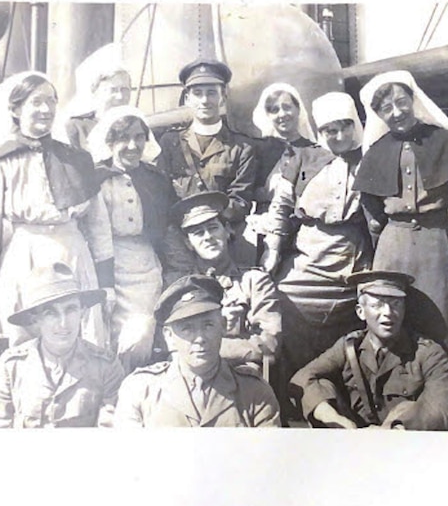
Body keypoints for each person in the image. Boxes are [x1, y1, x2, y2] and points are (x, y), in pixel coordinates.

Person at [352, 70, 448, 430]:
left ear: (413, 101)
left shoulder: (444, 142)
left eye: (401, 102)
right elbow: (372, 215)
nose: (396, 112)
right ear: (378, 115)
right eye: (386, 108)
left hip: (438, 246)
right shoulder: (376, 153)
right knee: (394, 327)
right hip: (393, 249)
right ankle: (398, 419)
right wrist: (389, 243)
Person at [0, 71, 115, 349]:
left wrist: (107, 284)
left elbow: (99, 228)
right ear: (16, 109)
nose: (46, 109)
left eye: (52, 101)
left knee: (84, 345)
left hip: (74, 258)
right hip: (24, 261)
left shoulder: (77, 160)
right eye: (36, 102)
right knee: (26, 345)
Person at [259, 91, 372, 385]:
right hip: (309, 253)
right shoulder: (303, 157)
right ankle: (293, 388)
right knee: (285, 298)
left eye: (343, 127)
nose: (337, 136)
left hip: (352, 254)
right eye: (329, 130)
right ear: (320, 132)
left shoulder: (369, 159)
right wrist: (272, 248)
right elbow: (281, 207)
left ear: (355, 126)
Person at [87, 105, 187, 371]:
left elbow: (169, 226)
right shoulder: (95, 178)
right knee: (102, 334)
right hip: (102, 265)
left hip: (143, 268)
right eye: (123, 138)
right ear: (109, 142)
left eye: (139, 137)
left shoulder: (156, 179)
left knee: (141, 331)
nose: (132, 145)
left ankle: (133, 384)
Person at [107, 275, 281, 427]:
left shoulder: (255, 393)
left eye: (208, 325)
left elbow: (266, 460)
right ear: (168, 336)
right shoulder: (140, 389)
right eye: (187, 329)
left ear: (222, 326)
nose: (199, 338)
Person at [289, 270, 448, 430]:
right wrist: (336, 421)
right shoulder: (349, 346)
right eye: (378, 305)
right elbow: (302, 378)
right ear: (361, 312)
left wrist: (392, 430)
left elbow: (440, 410)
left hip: (404, 445)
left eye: (396, 304)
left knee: (410, 407)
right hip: (354, 442)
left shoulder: (427, 352)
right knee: (321, 385)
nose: (388, 313)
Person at [0, 262, 126, 428]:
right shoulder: (11, 366)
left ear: (82, 311)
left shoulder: (106, 366)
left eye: (71, 309)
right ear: (35, 319)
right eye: (50, 313)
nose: (63, 324)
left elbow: (110, 432)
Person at [167, 191, 282, 369]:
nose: (207, 237)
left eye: (213, 228)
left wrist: (204, 351)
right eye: (198, 233)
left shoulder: (255, 281)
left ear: (228, 230)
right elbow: (170, 344)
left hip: (240, 378)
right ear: (188, 243)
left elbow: (269, 345)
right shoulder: (181, 287)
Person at [157, 59, 257, 250]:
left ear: (223, 96)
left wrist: (210, 221)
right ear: (187, 98)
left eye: (211, 92)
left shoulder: (242, 147)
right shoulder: (170, 143)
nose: (205, 100)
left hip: (223, 242)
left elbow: (240, 202)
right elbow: (163, 196)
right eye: (197, 93)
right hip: (180, 242)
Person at [245, 83, 317, 259]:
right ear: (267, 115)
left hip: (302, 228)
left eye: (287, 107)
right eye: (274, 110)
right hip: (264, 228)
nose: (282, 115)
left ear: (298, 109)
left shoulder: (313, 150)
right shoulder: (258, 150)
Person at [53, 42, 133, 151]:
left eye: (125, 89)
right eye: (113, 90)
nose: (120, 96)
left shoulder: (136, 126)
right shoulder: (76, 128)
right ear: (95, 92)